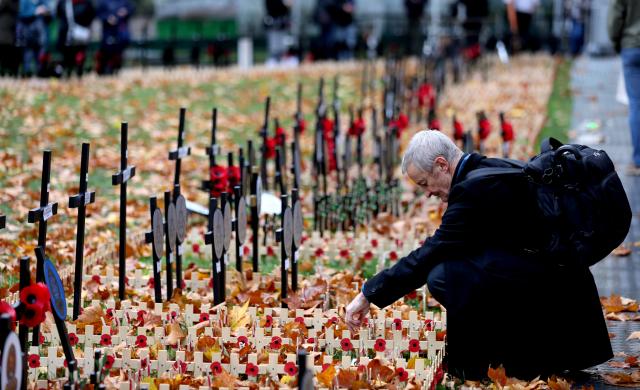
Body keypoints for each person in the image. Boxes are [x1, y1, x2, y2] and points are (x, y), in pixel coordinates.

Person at [345, 130, 612, 379]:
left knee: (444, 276)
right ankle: (508, 356)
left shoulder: (473, 190)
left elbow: (432, 252)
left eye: (425, 183)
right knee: (458, 268)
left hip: (557, 294)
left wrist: (369, 292)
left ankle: (517, 362)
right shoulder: (486, 169)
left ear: (441, 164)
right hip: (562, 287)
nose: (427, 193)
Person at [609, 0, 640, 175]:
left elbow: (614, 19)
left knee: (636, 104)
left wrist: (617, 43)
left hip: (632, 45)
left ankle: (639, 162)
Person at [56, 0, 95, 77]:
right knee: (68, 55)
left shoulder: (86, 3)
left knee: (79, 54)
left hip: (79, 33)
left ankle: (78, 72)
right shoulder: (64, 2)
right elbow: (59, 14)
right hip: (67, 34)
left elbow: (91, 15)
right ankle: (69, 72)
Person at [96, 0, 134, 75]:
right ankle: (106, 68)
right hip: (108, 31)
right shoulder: (103, 2)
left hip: (120, 32)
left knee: (118, 52)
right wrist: (107, 18)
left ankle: (115, 68)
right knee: (107, 51)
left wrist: (126, 11)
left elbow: (131, 8)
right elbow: (99, 13)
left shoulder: (124, 2)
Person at [16, 0, 51, 77]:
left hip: (41, 36)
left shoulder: (44, 2)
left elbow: (52, 15)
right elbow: (21, 14)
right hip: (28, 35)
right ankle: (26, 73)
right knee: (27, 56)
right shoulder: (24, 1)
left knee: (41, 56)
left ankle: (40, 73)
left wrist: (46, 12)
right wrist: (35, 11)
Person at [264, 0, 291, 65]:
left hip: (282, 23)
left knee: (283, 46)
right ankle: (274, 59)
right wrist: (284, 4)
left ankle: (281, 59)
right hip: (273, 22)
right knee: (274, 47)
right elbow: (272, 7)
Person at [0, 0, 19, 76]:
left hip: (8, 27)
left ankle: (7, 70)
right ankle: (6, 70)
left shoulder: (9, 2)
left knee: (7, 50)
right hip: (6, 28)